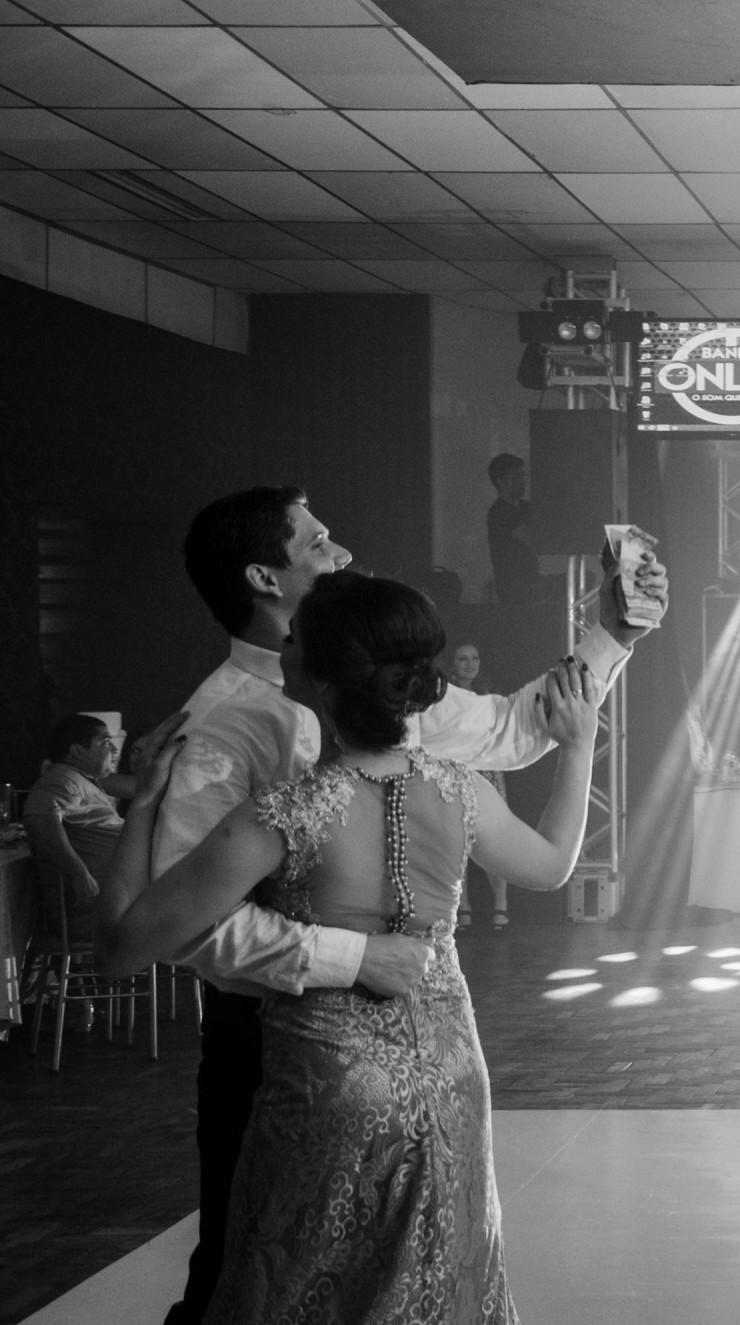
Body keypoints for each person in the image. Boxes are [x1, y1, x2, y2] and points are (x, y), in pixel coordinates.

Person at [149, 485, 665, 1325]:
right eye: (319, 541)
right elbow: (191, 924)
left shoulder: (373, 674)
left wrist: (610, 634)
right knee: (250, 1272)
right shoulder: (219, 722)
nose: (343, 550)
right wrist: (355, 958)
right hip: (277, 1044)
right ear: (262, 576)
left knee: (418, 1264)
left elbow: (510, 725)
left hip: (432, 1044)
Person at [22, 715, 136, 911]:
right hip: (102, 904)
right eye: (106, 742)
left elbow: (141, 788)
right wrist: (78, 872)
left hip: (119, 893)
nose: (115, 749)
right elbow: (37, 817)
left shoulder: (82, 778)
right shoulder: (63, 780)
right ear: (77, 750)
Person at [449, 643, 511, 930]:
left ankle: (501, 904)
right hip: (455, 769)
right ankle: (463, 906)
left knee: (492, 840)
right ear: (452, 664)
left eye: (475, 658)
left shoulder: (489, 696)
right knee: (458, 841)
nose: (469, 664)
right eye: (462, 658)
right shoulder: (443, 697)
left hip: (487, 770)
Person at [486, 453, 552, 603]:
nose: (523, 481)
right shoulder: (500, 512)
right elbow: (531, 539)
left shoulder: (527, 507)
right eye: (516, 477)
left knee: (584, 578)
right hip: (514, 586)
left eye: (523, 476)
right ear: (501, 482)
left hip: (533, 578)